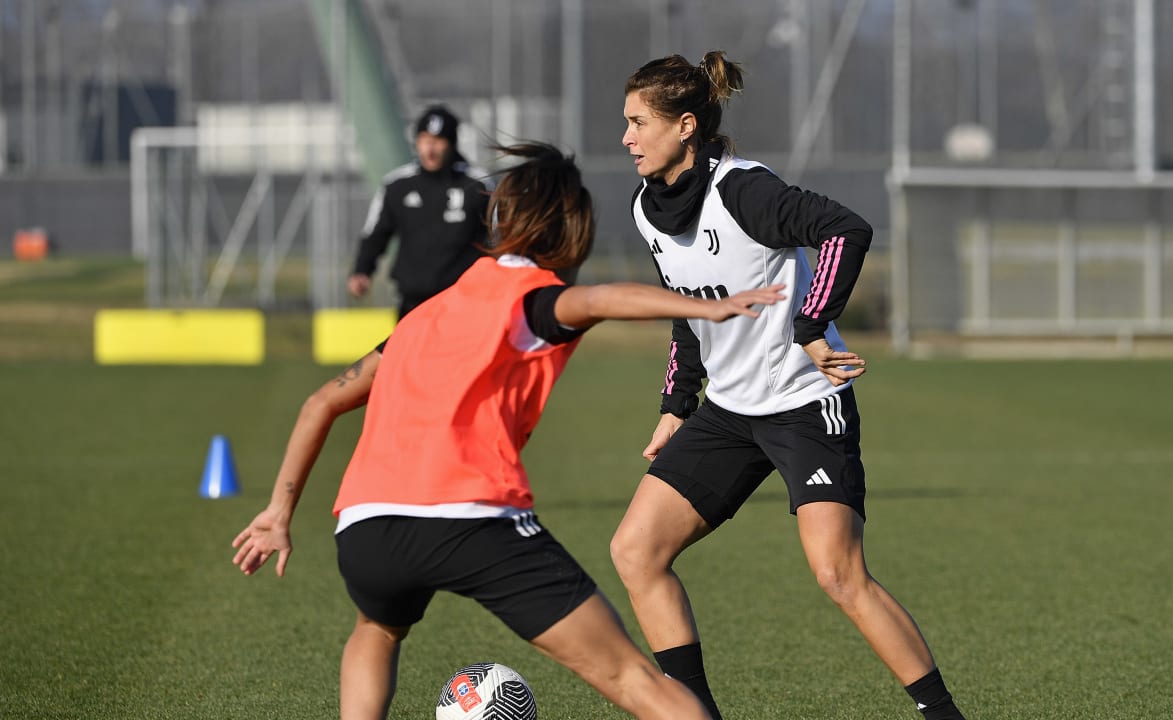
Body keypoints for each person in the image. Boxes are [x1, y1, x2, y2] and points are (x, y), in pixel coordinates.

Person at [231, 142, 786, 720]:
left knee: (376, 628)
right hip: (469, 517)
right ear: (571, 230)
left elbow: (322, 401)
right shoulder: (530, 301)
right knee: (631, 675)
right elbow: (597, 300)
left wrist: (278, 511)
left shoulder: (425, 314)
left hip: (366, 525)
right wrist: (703, 308)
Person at [610, 52, 968, 720]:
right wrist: (674, 407)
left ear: (685, 126)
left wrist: (811, 325)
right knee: (635, 550)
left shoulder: (743, 191)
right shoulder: (644, 209)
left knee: (838, 574)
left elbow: (845, 229)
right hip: (728, 411)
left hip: (806, 401)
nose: (626, 137)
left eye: (638, 122)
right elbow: (689, 312)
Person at [347, 104, 488, 319]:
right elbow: (376, 233)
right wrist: (362, 270)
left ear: (451, 144)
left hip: (464, 301)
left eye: (438, 141)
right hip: (412, 303)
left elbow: (499, 238)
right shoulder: (397, 185)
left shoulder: (478, 184)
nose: (430, 149)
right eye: (424, 140)